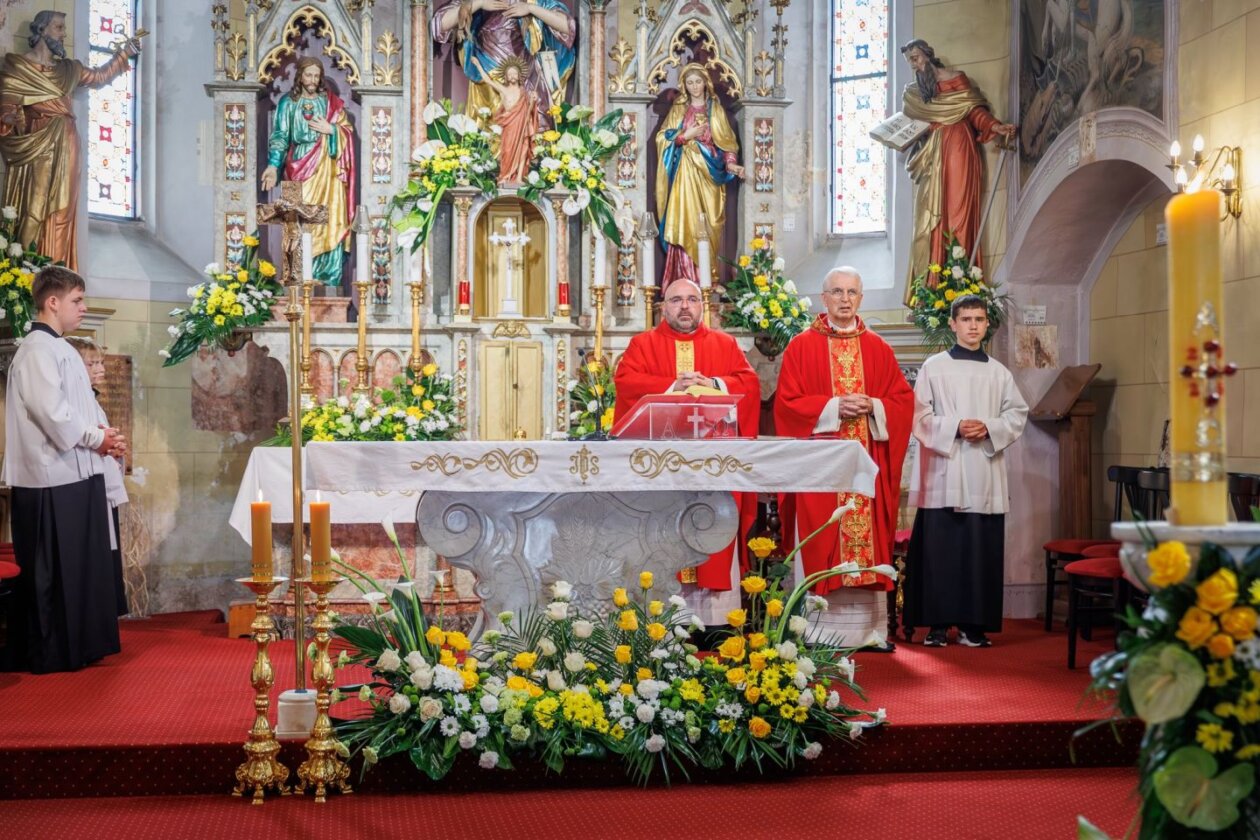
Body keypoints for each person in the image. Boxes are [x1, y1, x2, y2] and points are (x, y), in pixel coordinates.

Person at [774, 267, 913, 649]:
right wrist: (834, 406)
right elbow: (786, 405)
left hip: (866, 469)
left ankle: (869, 631)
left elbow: (902, 402)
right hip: (823, 470)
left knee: (868, 542)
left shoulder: (879, 348)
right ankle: (817, 632)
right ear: (824, 299)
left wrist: (875, 406)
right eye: (837, 291)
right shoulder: (801, 347)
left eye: (852, 292)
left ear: (861, 298)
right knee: (822, 542)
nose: (845, 299)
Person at [1, 266, 126, 673]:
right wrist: (96, 439)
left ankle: (78, 647)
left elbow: (80, 408)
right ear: (51, 302)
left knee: (75, 568)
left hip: (75, 473)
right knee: (51, 572)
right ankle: (51, 652)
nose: (84, 308)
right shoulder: (38, 349)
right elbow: (52, 414)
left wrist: (106, 436)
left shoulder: (63, 349)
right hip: (48, 477)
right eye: (77, 300)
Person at [614, 279, 760, 626]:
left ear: (702, 305)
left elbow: (750, 384)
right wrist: (671, 386)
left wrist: (714, 384)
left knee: (713, 528)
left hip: (712, 466)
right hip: (661, 467)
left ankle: (716, 623)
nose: (684, 306)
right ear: (662, 306)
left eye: (692, 299)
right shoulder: (642, 344)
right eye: (676, 299)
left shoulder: (724, 345)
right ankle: (661, 619)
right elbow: (626, 383)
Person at [904, 295, 1028, 647]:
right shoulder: (934, 367)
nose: (973, 325)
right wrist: (956, 427)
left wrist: (988, 427)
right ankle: (937, 625)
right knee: (940, 550)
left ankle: (975, 626)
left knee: (979, 549)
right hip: (945, 468)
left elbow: (1017, 414)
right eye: (966, 319)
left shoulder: (998, 372)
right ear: (953, 324)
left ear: (987, 325)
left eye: (979, 319)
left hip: (983, 472)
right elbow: (920, 417)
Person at [0, 10, 140, 270]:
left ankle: (55, 270)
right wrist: (11, 116)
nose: (64, 34)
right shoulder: (16, 67)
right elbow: (8, 106)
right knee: (33, 208)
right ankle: (24, 270)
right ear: (41, 30)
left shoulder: (69, 69)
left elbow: (98, 77)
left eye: (64, 28)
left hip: (67, 140)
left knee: (63, 208)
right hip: (35, 144)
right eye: (58, 27)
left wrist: (124, 54)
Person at [900, 39, 1016, 300]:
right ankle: (931, 286)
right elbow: (910, 126)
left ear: (929, 55)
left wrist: (995, 126)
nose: (915, 64)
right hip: (932, 153)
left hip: (959, 148)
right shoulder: (915, 92)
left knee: (957, 212)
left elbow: (974, 112)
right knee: (929, 220)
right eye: (910, 61)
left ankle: (961, 282)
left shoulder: (957, 79)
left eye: (916, 57)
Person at [260, 57, 356, 288]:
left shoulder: (331, 103)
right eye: (308, 74)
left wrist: (331, 129)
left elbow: (347, 131)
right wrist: (274, 165)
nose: (312, 79)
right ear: (300, 76)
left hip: (328, 170)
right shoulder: (288, 103)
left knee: (329, 219)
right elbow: (281, 136)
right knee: (298, 223)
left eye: (316, 75)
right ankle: (299, 275)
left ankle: (326, 276)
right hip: (298, 167)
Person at [655, 64, 746, 288]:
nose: (694, 86)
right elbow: (662, 138)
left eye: (698, 81)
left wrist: (732, 165)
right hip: (684, 172)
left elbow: (727, 142)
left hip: (710, 174)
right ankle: (682, 278)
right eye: (689, 82)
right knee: (684, 220)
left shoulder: (715, 109)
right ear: (684, 86)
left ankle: (708, 277)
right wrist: (686, 136)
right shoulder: (678, 108)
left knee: (709, 223)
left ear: (706, 82)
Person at [66, 336, 129, 617]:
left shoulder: (91, 399)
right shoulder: (73, 400)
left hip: (100, 479)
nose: (101, 369)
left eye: (101, 362)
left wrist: (115, 448)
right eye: (93, 363)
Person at [432, 0, 575, 123]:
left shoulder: (531, 1)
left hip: (525, 75)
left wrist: (530, 9)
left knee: (528, 133)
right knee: (493, 133)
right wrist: (479, 3)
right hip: (487, 77)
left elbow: (568, 27)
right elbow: (439, 25)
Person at [470, 54, 536, 185]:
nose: (512, 76)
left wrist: (533, 100)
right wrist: (478, 65)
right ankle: (505, 175)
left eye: (514, 73)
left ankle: (518, 178)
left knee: (523, 148)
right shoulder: (503, 90)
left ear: (519, 75)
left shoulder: (524, 92)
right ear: (505, 76)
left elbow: (529, 111)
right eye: (509, 74)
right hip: (509, 126)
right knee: (507, 150)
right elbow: (488, 80)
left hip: (521, 124)